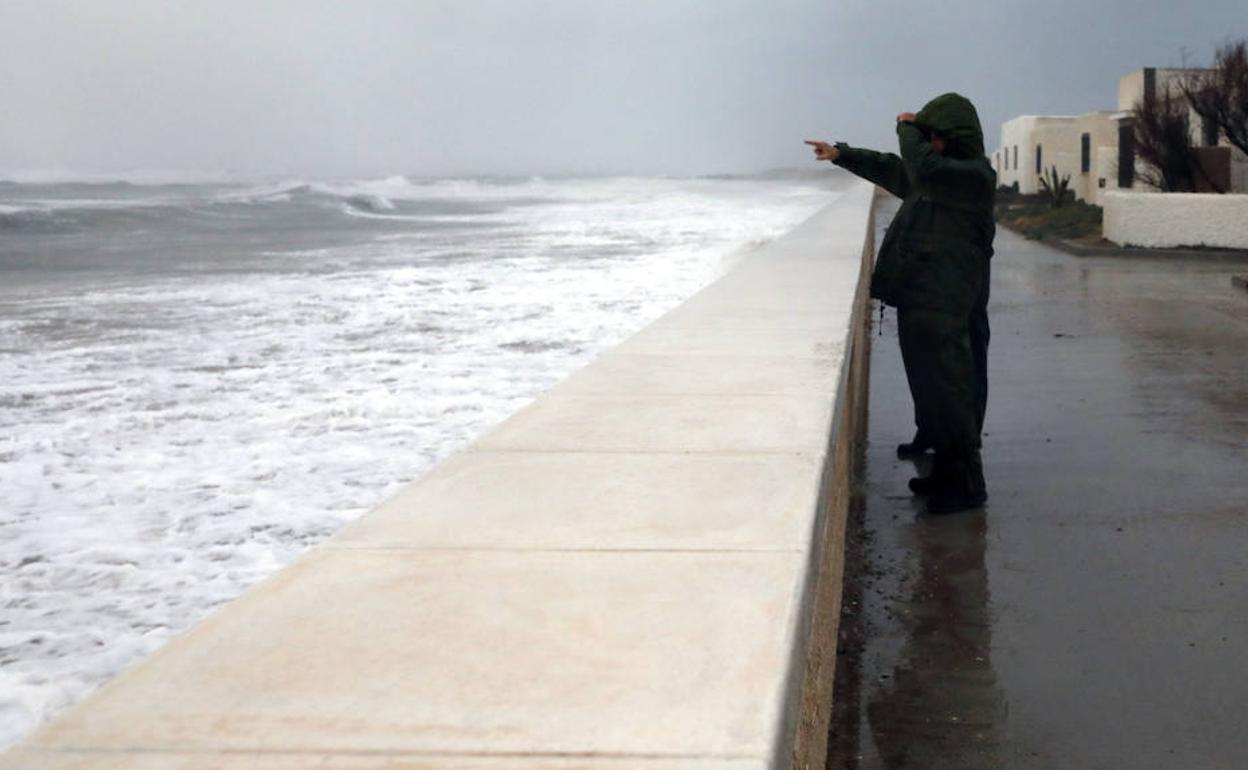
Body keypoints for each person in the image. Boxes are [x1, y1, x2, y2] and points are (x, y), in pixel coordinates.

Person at [805, 93, 995, 515]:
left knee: (953, 392)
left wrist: (906, 126)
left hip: (947, 301)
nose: (929, 145)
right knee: (933, 393)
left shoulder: (970, 176)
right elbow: (895, 168)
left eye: (935, 137)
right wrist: (842, 154)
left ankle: (966, 487)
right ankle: (944, 474)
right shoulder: (939, 176)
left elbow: (920, 165)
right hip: (922, 297)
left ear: (956, 138)